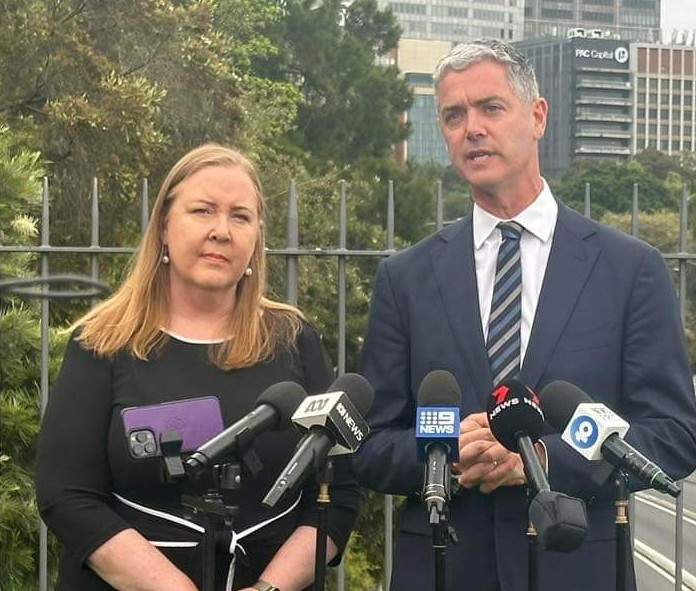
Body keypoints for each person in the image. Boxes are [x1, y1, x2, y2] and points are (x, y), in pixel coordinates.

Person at [352, 39, 696, 591]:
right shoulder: (406, 278)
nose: (472, 128)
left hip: (578, 568)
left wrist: (540, 462)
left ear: (537, 117)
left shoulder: (630, 270)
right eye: (453, 115)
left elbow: (672, 434)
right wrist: (441, 455)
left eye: (490, 108)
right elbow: (368, 444)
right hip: (442, 568)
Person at [35, 144, 360, 591]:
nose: (221, 231)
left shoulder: (293, 339)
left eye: (240, 216)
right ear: (164, 226)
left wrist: (269, 589)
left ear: (256, 237)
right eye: (203, 211)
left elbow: (337, 493)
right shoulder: (102, 342)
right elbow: (66, 495)